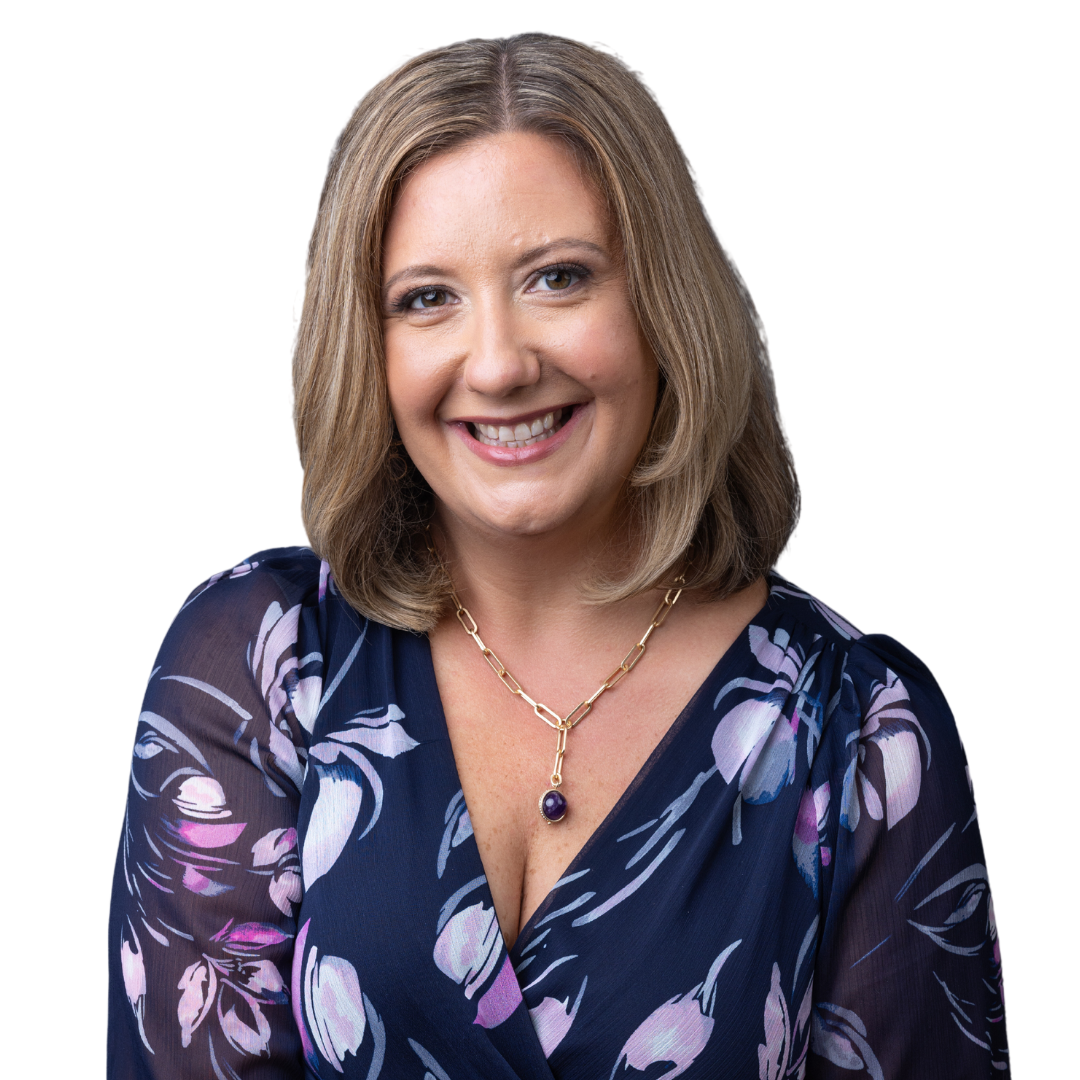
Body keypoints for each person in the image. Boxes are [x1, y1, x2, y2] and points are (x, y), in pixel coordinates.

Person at [107, 32, 1008, 1079]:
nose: (498, 363)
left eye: (558, 278)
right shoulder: (262, 666)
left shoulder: (859, 733)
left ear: (664, 303)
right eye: (427, 298)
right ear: (368, 345)